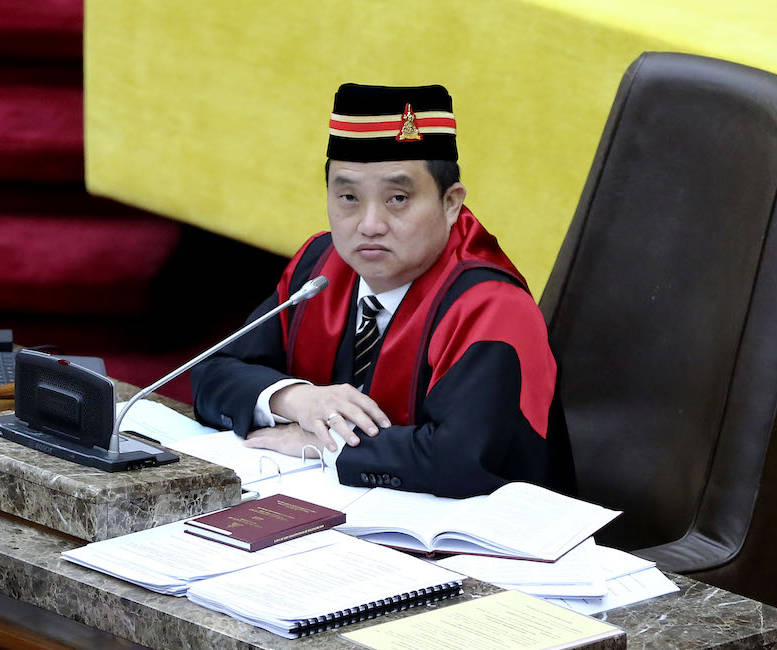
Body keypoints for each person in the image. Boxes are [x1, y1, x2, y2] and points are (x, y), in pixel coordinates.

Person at [191, 83, 574, 498]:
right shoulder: (320, 267)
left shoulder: (491, 306)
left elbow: (459, 459)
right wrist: (297, 399)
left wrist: (328, 444)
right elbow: (212, 372)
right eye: (349, 197)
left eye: (397, 198)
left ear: (451, 203)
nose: (370, 224)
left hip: (481, 546)